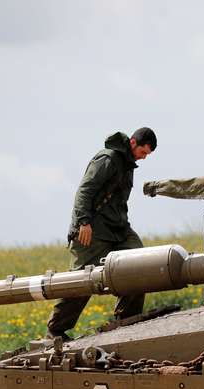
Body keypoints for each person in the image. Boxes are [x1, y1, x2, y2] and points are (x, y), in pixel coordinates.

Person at [46, 127, 157, 339]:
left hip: (118, 229)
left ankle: (127, 322)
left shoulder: (128, 164)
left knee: (141, 266)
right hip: (92, 229)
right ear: (133, 143)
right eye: (143, 153)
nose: (144, 158)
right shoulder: (107, 159)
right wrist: (83, 222)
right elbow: (85, 191)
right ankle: (55, 331)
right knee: (81, 281)